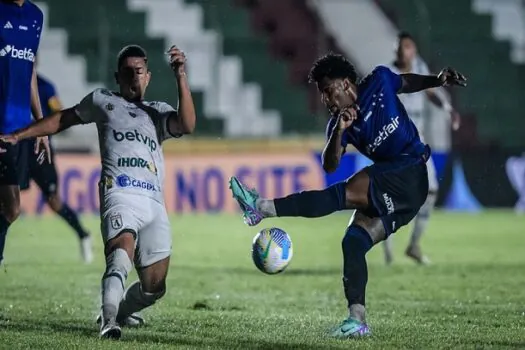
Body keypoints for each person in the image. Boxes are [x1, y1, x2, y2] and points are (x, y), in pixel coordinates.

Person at [228, 53, 466, 337]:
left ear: (344, 84)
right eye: (323, 95)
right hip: (402, 195)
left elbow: (405, 82)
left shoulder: (379, 81)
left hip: (410, 170)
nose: (326, 101)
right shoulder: (340, 124)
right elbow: (330, 164)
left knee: (343, 194)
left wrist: (436, 81)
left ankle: (262, 208)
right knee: (353, 242)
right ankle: (357, 320)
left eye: (328, 92)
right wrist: (339, 131)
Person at [0, 44, 196, 339]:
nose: (133, 77)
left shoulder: (158, 112)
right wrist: (21, 134)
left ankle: (122, 311)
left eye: (139, 72)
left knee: (155, 287)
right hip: (119, 193)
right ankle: (108, 321)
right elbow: (62, 119)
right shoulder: (103, 101)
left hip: (154, 203)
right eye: (127, 72)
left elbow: (188, 124)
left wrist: (181, 75)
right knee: (120, 256)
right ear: (117, 76)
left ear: (149, 77)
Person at [383, 32, 461, 265]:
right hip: (395, 143)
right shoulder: (387, 74)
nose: (402, 51)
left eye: (407, 47)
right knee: (392, 196)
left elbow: (431, 93)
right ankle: (386, 243)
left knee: (431, 192)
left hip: (417, 142)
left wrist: (447, 108)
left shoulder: (419, 67)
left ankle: (414, 245)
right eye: (399, 47)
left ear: (413, 51)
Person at [20, 71, 93, 263]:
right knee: (8, 201)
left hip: (40, 151)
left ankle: (83, 234)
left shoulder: (45, 86)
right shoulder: (10, 81)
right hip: (16, 149)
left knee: (54, 200)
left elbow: (58, 112)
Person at [0, 0, 50, 265]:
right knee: (12, 207)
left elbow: (29, 70)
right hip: (1, 128)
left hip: (20, 129)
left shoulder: (35, 16)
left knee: (9, 208)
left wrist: (39, 125)